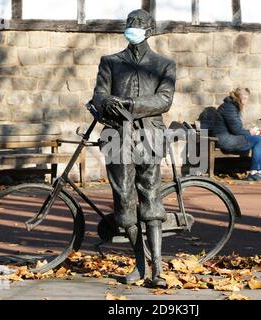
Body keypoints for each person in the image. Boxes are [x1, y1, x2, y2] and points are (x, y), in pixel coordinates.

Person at [92, 9, 176, 287]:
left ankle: (158, 270)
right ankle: (140, 265)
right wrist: (107, 103)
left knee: (151, 200)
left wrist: (129, 104)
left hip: (149, 136)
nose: (133, 28)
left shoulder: (164, 64)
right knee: (124, 202)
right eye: (130, 24)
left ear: (150, 30)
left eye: (138, 25)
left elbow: (164, 100)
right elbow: (99, 94)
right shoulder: (110, 62)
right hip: (117, 135)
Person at [213, 88, 261, 181]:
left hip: (231, 137)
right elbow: (236, 130)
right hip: (225, 140)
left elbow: (237, 128)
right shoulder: (229, 107)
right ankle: (254, 172)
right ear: (238, 98)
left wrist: (250, 133)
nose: (246, 101)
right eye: (244, 99)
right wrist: (250, 132)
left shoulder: (233, 106)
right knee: (259, 140)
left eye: (247, 98)